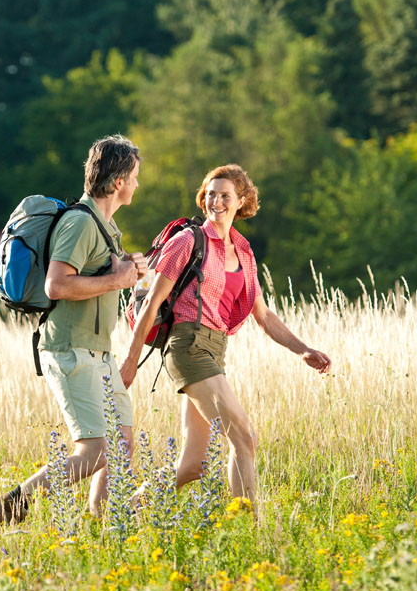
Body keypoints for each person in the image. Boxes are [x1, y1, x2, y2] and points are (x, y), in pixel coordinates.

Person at [119, 164, 331, 506]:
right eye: (211, 194)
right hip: (188, 347)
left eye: (225, 196)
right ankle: (248, 528)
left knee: (192, 465)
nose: (216, 202)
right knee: (244, 437)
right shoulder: (187, 241)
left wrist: (302, 349)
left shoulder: (244, 253)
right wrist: (130, 362)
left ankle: (126, 510)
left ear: (241, 201)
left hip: (215, 350)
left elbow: (263, 315)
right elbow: (152, 302)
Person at [0, 134, 147, 525]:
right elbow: (57, 286)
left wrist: (128, 270)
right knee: (97, 449)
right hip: (69, 351)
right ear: (118, 182)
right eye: (133, 176)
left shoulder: (106, 226)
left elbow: (103, 275)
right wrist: (117, 281)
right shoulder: (81, 223)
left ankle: (105, 524)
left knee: (122, 444)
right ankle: (11, 505)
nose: (137, 184)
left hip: (98, 352)